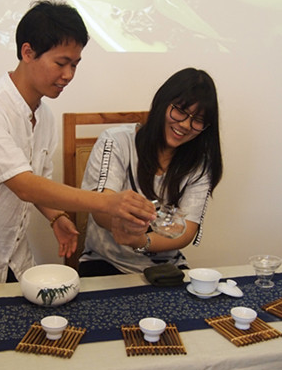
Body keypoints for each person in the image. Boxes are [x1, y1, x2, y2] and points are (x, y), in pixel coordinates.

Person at [0, 0, 155, 286]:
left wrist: (56, 217)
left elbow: (39, 180)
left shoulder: (44, 115)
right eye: (61, 63)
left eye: (75, 65)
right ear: (28, 52)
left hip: (14, 252)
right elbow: (24, 185)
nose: (68, 75)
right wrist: (108, 202)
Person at [78, 68, 223, 276]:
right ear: (162, 103)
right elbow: (101, 208)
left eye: (197, 120)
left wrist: (141, 241)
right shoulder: (116, 141)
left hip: (166, 267)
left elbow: (187, 230)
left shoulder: (200, 164)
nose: (185, 125)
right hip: (105, 261)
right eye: (180, 111)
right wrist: (126, 226)